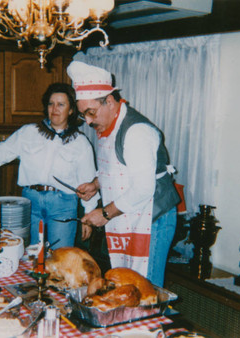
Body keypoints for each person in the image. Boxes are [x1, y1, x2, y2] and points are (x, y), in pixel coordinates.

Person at [67, 61, 180, 287]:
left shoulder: (137, 132)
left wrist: (105, 214)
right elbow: (119, 168)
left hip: (151, 218)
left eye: (90, 112)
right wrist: (97, 184)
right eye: (83, 115)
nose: (88, 121)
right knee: (126, 283)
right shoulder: (109, 123)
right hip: (131, 214)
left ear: (109, 101)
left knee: (144, 288)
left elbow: (143, 188)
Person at [0, 83, 99, 248]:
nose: (54, 109)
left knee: (61, 255)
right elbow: (1, 153)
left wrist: (88, 217)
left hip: (63, 204)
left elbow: (88, 181)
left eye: (61, 104)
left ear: (71, 110)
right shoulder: (28, 132)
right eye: (51, 104)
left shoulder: (80, 142)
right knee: (31, 255)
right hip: (30, 201)